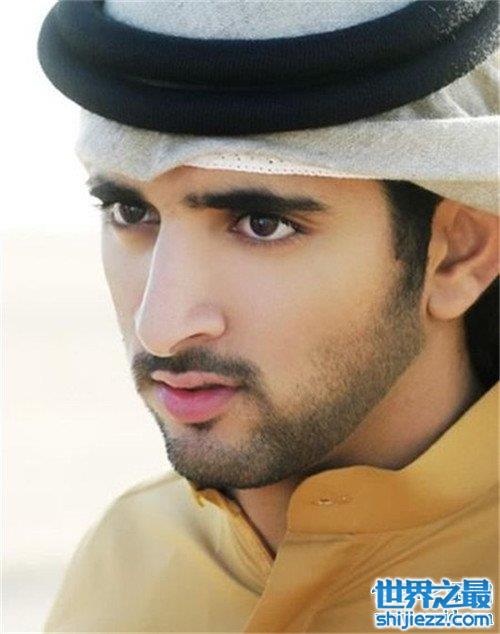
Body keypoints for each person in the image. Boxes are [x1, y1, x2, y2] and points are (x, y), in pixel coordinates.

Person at [37, 1, 498, 631]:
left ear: (458, 257)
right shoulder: (123, 560)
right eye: (131, 213)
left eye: (262, 224)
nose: (160, 327)